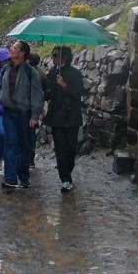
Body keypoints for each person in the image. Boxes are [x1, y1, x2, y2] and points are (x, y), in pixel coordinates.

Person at [0, 40, 45, 191]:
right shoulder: (5, 69)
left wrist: (35, 116)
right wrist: (1, 97)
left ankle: (23, 176)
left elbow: (37, 95)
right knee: (11, 144)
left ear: (22, 53)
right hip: (9, 113)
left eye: (15, 47)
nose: (11, 49)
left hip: (25, 114)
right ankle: (10, 179)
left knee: (25, 147)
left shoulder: (31, 72)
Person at [45, 46, 85, 193]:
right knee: (61, 150)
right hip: (57, 117)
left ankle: (68, 171)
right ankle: (66, 180)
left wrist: (64, 85)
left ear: (64, 58)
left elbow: (77, 93)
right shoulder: (52, 72)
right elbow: (50, 93)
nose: (53, 58)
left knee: (70, 150)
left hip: (72, 117)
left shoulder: (75, 74)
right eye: (52, 55)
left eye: (55, 55)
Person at [27, 52, 51, 168]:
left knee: (29, 134)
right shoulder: (40, 72)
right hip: (35, 108)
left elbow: (46, 91)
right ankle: (30, 159)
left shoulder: (38, 74)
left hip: (32, 108)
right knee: (31, 134)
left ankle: (28, 159)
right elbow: (47, 91)